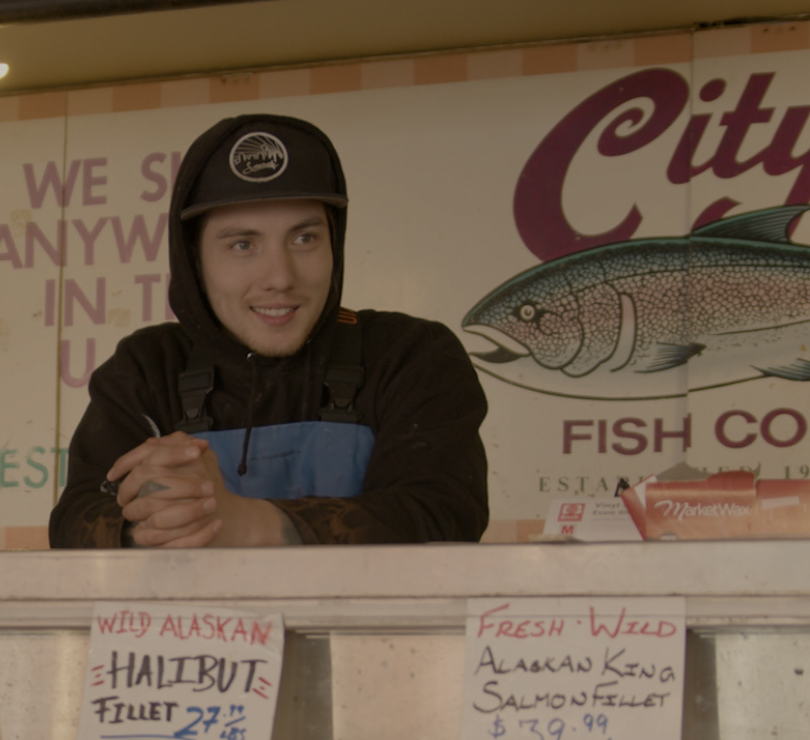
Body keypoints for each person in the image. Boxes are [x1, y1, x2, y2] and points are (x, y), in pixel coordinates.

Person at [49, 114, 489, 548]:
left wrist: (247, 524)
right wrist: (157, 521)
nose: (280, 277)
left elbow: (441, 513)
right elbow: (75, 521)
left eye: (304, 239)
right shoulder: (148, 368)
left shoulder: (411, 355)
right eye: (243, 244)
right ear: (194, 260)